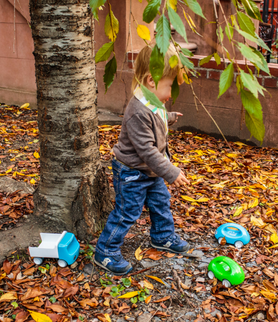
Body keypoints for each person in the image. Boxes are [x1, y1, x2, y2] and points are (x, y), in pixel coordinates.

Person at [94, 44, 190, 275]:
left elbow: (155, 120)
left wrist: (169, 117)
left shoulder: (152, 102)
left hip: (149, 171)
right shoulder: (138, 109)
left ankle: (162, 236)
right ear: (151, 80)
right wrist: (172, 172)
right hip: (132, 173)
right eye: (168, 86)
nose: (170, 94)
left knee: (160, 202)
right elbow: (147, 149)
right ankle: (105, 251)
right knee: (127, 211)